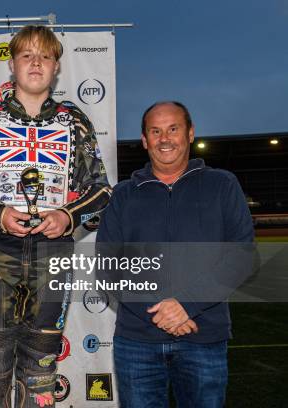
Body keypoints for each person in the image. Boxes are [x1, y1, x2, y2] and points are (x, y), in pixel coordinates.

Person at [0, 25, 111, 408]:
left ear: (56, 66)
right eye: (27, 55)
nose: (36, 63)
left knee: (41, 374)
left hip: (53, 258)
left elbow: (102, 190)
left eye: (44, 56)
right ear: (12, 64)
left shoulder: (74, 121)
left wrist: (68, 215)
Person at [96, 101, 254, 407]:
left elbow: (242, 255)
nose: (164, 138)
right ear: (144, 140)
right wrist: (163, 314)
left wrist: (187, 306)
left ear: (190, 133)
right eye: (155, 131)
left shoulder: (222, 185)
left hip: (204, 338)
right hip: (137, 342)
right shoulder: (124, 194)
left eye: (173, 129)